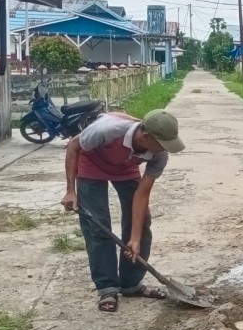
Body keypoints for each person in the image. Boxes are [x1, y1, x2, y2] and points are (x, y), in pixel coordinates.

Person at [61, 109, 185, 313]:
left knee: (142, 222)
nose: (165, 150)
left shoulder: (159, 155)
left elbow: (141, 195)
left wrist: (134, 238)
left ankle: (131, 284)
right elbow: (74, 146)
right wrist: (70, 191)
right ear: (146, 137)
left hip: (126, 168)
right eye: (162, 144)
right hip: (92, 164)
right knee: (98, 225)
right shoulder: (107, 130)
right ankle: (107, 287)